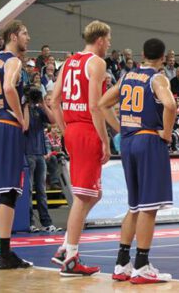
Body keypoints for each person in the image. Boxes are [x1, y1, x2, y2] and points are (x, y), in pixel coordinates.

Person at [99, 38, 177, 284]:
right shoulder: (158, 78)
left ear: (142, 54)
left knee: (134, 206)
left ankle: (122, 263)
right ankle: (142, 264)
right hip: (148, 141)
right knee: (148, 208)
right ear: (163, 58)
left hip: (129, 143)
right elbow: (171, 105)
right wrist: (166, 132)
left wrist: (120, 130)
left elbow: (102, 104)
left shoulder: (126, 77)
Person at [51, 20, 112, 276]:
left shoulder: (68, 62)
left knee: (94, 194)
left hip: (73, 128)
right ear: (99, 40)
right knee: (82, 196)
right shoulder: (96, 63)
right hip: (87, 129)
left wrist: (65, 132)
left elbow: (54, 101)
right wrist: (105, 140)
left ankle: (65, 246)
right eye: (108, 40)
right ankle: (71, 258)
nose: (109, 44)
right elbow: (96, 106)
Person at [0, 20, 33, 269]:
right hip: (6, 128)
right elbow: (8, 88)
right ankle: (5, 254)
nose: (28, 38)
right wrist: (18, 115)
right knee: (9, 190)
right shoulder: (12, 61)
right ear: (13, 36)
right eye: (25, 33)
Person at [24, 87, 60, 233]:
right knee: (28, 190)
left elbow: (53, 120)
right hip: (27, 153)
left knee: (41, 190)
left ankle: (46, 222)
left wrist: (43, 104)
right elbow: (24, 126)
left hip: (40, 153)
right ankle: (29, 222)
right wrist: (25, 104)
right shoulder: (22, 109)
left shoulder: (39, 110)